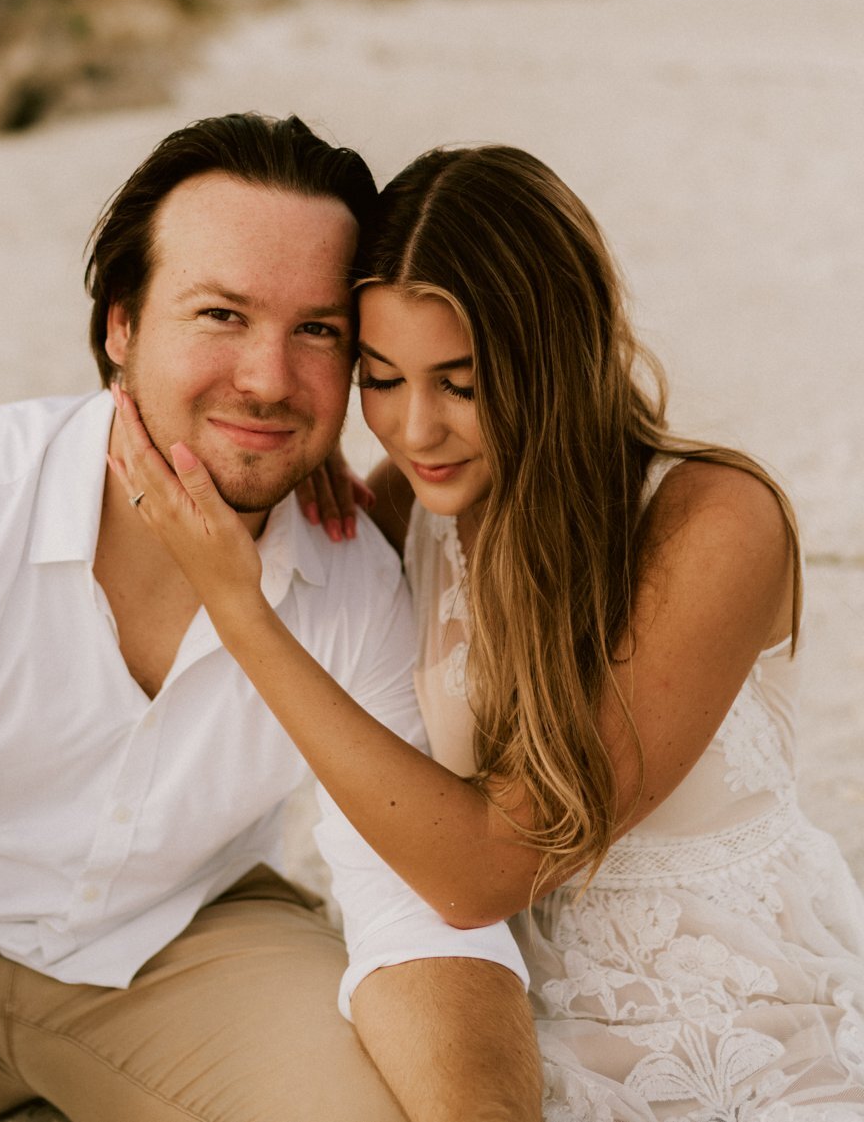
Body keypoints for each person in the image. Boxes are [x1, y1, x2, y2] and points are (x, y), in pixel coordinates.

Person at [0, 113, 544, 1122]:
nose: (266, 379)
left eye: (315, 332)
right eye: (219, 315)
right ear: (121, 326)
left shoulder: (354, 576)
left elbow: (412, 910)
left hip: (192, 950)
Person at [110, 144, 864, 1118]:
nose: (412, 429)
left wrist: (239, 605)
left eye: (460, 385)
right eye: (379, 378)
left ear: (557, 355)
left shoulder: (711, 520)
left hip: (743, 1022)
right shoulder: (401, 507)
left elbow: (486, 870)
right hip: (499, 1016)